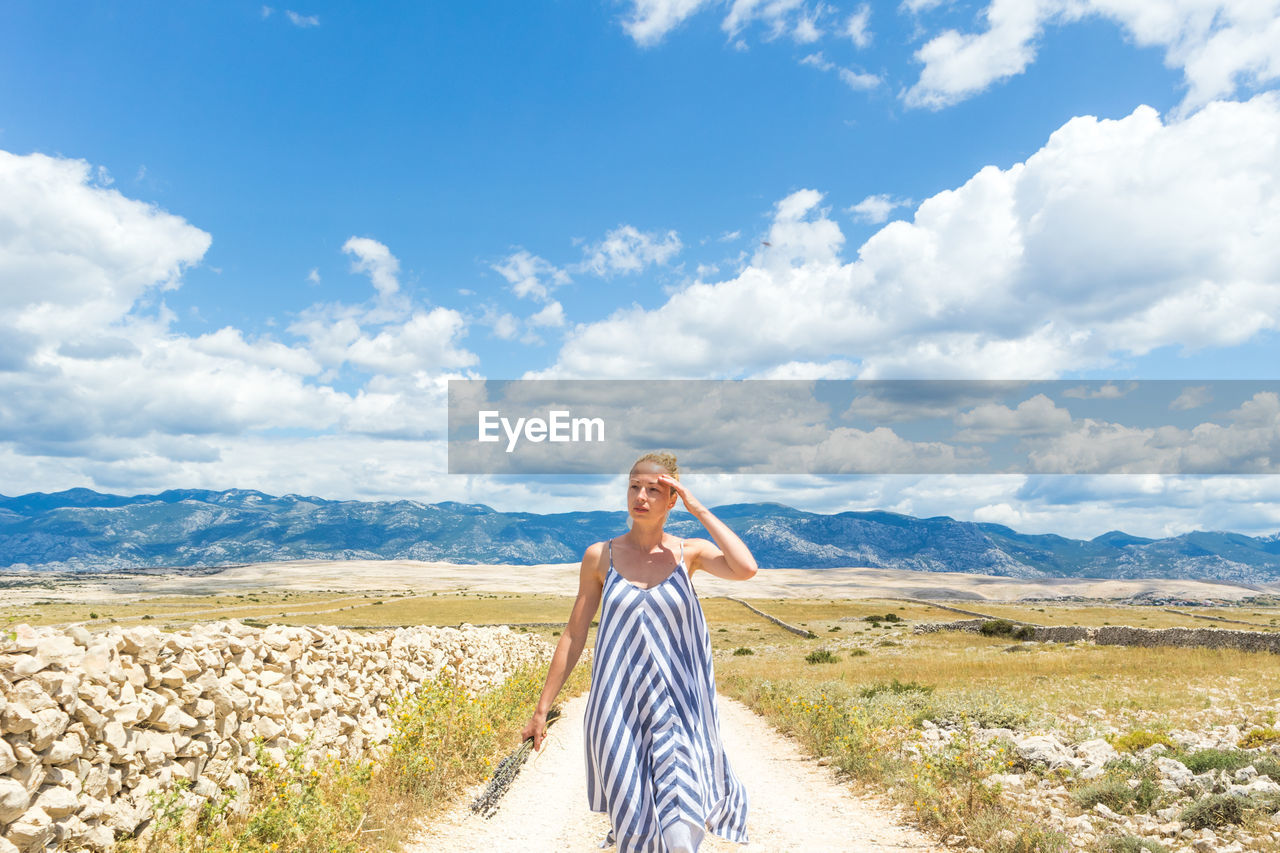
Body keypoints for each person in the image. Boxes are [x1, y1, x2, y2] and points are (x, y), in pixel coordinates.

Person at [520, 452, 757, 852]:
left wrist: (698, 509)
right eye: (634, 486)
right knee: (634, 829)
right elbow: (574, 633)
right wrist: (542, 708)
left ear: (672, 500)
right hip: (617, 712)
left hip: (681, 711)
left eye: (654, 490)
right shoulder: (601, 556)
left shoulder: (690, 554)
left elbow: (746, 567)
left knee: (681, 831)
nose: (641, 496)